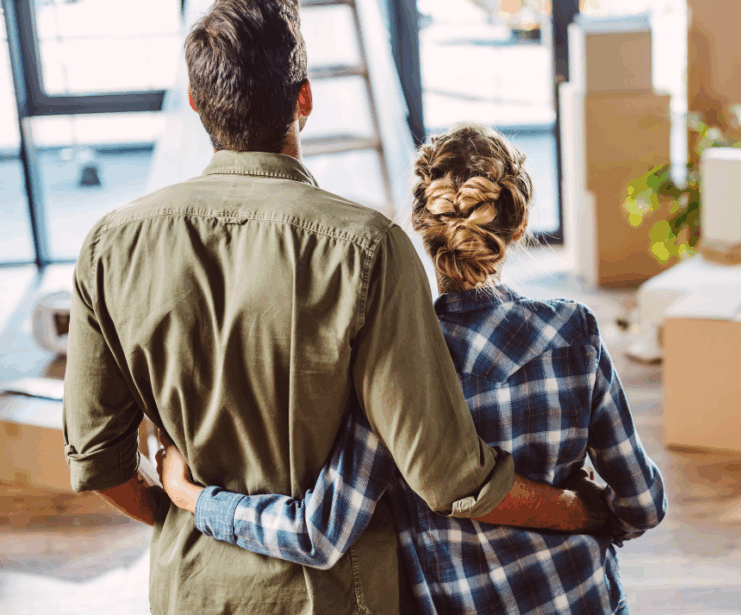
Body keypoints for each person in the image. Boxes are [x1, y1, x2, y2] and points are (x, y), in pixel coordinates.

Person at [60, 3, 607, 614]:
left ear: (195, 102)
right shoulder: (367, 247)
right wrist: (573, 510)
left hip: (191, 590)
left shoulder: (111, 245)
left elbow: (97, 460)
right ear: (305, 99)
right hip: (334, 597)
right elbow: (446, 475)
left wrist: (193, 513)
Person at [158, 123, 668, 614]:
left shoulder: (394, 361)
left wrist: (197, 500)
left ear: (421, 226)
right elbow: (642, 502)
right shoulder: (573, 332)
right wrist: (589, 513)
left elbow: (320, 533)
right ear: (519, 227)